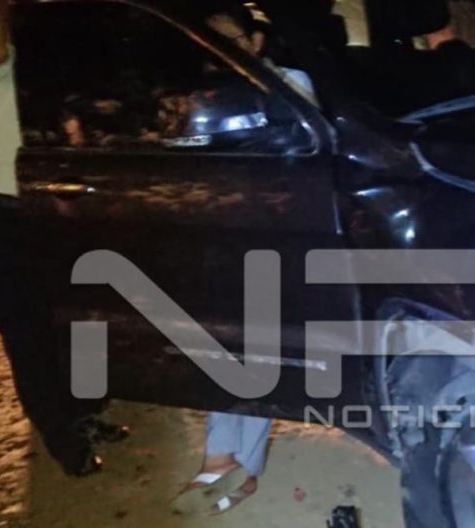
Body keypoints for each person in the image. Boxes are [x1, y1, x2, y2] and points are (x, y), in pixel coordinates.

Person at [0, 0, 128, 477]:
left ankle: (85, 413)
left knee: (82, 324)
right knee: (30, 336)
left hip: (54, 210)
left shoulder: (58, 72)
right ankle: (62, 435)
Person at [171, 2, 319, 515]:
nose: (221, 53)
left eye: (231, 40)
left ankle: (243, 466)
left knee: (258, 350)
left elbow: (307, 155)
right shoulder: (206, 94)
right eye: (209, 43)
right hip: (226, 230)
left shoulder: (292, 84)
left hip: (280, 229)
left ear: (255, 42)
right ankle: (220, 456)